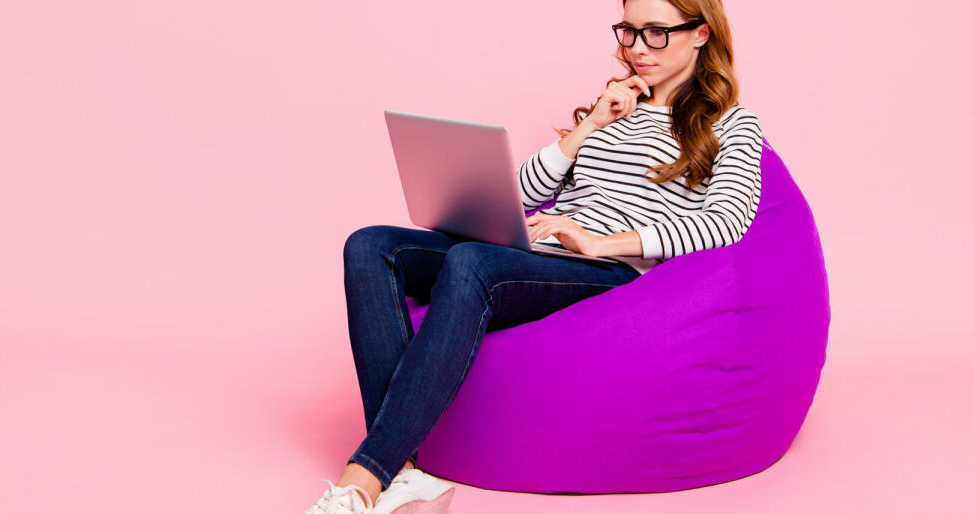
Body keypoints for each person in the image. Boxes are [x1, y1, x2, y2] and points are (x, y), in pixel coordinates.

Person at [307, 0, 764, 512]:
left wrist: (600, 242)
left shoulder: (733, 123)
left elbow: (727, 223)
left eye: (656, 34)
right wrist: (592, 123)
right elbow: (522, 194)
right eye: (629, 32)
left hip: (607, 269)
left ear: (701, 33)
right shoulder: (615, 105)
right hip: (544, 252)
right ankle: (405, 474)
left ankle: (364, 479)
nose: (637, 49)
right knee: (370, 245)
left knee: (472, 263)